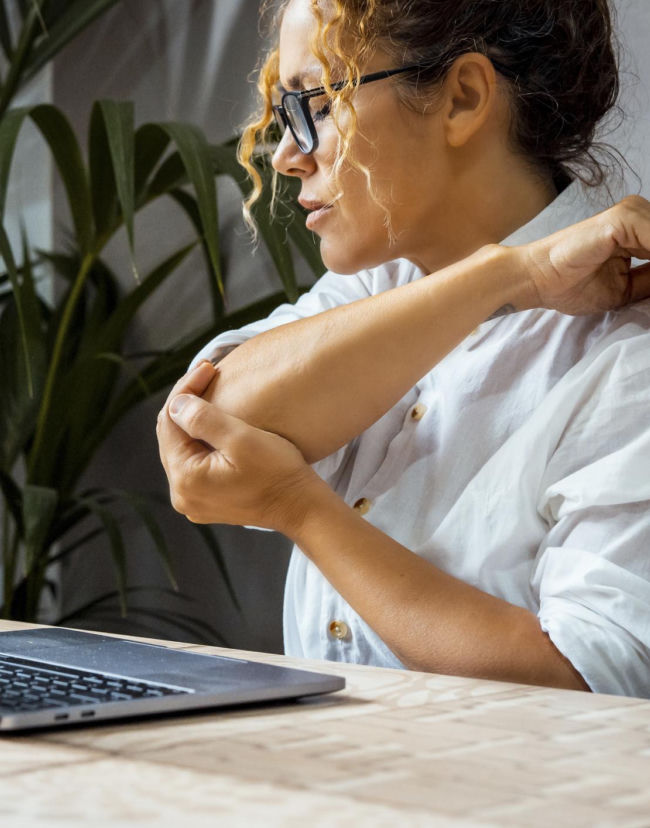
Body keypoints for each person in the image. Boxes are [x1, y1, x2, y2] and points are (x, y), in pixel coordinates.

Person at [156, 0, 650, 698]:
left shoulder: (629, 356)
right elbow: (205, 425)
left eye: (316, 106)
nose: (290, 157)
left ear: (463, 98)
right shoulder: (377, 287)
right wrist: (510, 276)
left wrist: (303, 509)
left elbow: (592, 686)